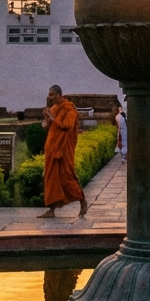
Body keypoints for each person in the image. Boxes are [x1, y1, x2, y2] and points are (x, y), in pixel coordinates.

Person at [38, 85, 88, 219]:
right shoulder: (53, 109)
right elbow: (48, 126)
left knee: (66, 177)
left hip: (63, 149)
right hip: (52, 148)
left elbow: (67, 125)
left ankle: (82, 201)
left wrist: (52, 118)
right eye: (49, 94)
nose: (51, 97)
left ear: (60, 95)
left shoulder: (69, 108)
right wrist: (47, 119)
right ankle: (51, 209)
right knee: (51, 178)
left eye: (53, 94)